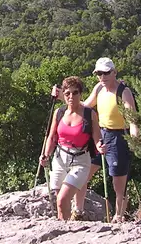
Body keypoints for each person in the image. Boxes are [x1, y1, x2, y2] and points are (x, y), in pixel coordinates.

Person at [51, 58, 139, 222]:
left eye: (106, 73)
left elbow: (132, 119)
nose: (102, 77)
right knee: (84, 174)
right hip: (100, 134)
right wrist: (63, 96)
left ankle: (119, 216)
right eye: (99, 73)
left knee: (118, 180)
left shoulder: (123, 92)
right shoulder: (99, 88)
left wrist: (134, 140)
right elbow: (83, 105)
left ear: (114, 72)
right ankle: (79, 211)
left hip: (119, 137)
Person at [39, 76, 105, 220]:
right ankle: (67, 227)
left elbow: (97, 136)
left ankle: (66, 229)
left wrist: (100, 146)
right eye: (67, 93)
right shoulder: (59, 112)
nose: (71, 96)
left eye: (75, 93)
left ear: (81, 94)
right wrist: (45, 154)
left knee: (62, 199)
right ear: (63, 94)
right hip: (59, 159)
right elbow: (52, 137)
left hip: (80, 161)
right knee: (59, 200)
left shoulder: (89, 114)